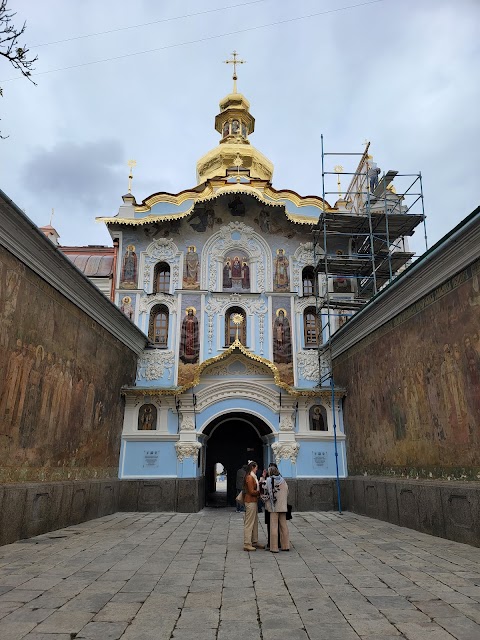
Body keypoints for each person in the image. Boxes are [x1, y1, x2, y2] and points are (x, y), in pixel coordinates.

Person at [264, 464, 290, 553]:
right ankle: (285, 546)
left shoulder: (269, 480)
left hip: (273, 507)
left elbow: (265, 491)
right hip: (283, 506)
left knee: (274, 526)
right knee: (284, 526)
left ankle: (274, 547)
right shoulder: (283, 481)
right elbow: (287, 491)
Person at [243, 461, 265, 551]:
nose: (257, 470)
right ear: (252, 467)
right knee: (249, 523)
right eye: (256, 468)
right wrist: (260, 492)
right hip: (250, 501)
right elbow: (251, 491)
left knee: (255, 522)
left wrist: (262, 478)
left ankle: (254, 541)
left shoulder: (253, 477)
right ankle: (247, 543)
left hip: (253, 501)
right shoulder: (249, 477)